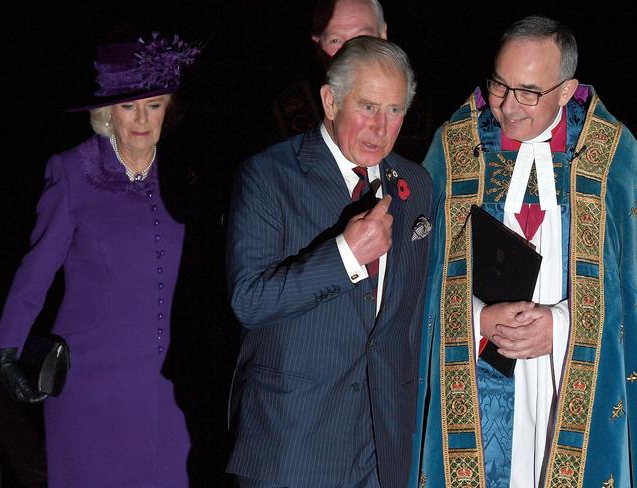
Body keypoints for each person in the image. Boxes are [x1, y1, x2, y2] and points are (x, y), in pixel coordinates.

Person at [409, 15, 636, 488]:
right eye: (499, 85)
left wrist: (563, 326)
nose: (509, 107)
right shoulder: (456, 148)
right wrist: (475, 320)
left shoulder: (610, 154)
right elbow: (418, 275)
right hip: (475, 370)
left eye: (529, 92)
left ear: (567, 89)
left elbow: (630, 285)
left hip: (568, 376)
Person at [0, 33, 200, 487]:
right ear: (107, 113)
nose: (142, 119)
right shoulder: (73, 171)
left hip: (169, 387)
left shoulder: (189, 173)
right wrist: (8, 349)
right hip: (92, 384)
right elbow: (36, 268)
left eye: (154, 104)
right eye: (129, 107)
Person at [226, 36, 433, 487]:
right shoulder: (267, 177)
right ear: (330, 100)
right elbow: (249, 301)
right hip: (294, 443)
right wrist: (345, 256)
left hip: (385, 446)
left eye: (395, 110)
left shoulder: (416, 184)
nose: (382, 127)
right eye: (368, 107)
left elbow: (419, 311)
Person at [273, 0, 387, 139]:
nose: (350, 53)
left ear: (383, 36)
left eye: (362, 38)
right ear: (318, 46)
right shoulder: (288, 112)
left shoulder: (416, 111)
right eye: (335, 41)